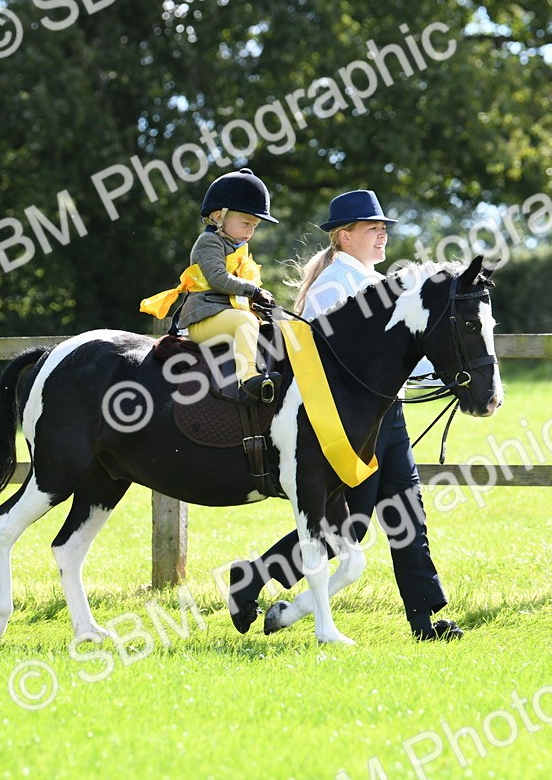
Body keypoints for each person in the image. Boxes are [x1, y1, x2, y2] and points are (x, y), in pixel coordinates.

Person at [227, 189, 464, 642]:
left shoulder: (381, 282)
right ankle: (255, 579)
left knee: (406, 514)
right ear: (343, 236)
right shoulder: (334, 285)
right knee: (347, 523)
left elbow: (402, 348)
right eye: (372, 228)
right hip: (344, 421)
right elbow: (324, 356)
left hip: (384, 414)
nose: (382, 235)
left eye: (383, 229)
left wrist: (444, 374)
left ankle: (425, 622)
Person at [140, 168, 280, 404]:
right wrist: (254, 291)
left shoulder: (238, 248)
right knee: (244, 321)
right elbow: (218, 279)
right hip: (202, 321)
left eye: (255, 226)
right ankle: (248, 380)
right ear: (218, 217)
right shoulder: (208, 243)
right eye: (246, 223)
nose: (250, 231)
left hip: (224, 316)